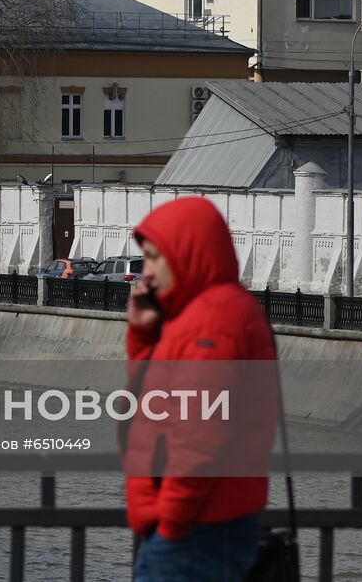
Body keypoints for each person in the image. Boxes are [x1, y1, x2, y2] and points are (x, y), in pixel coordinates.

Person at [123, 197, 277, 581]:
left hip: (197, 531)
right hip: (198, 528)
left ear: (187, 253)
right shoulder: (198, 315)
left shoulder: (213, 321)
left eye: (156, 257)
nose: (147, 272)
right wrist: (144, 334)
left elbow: (200, 437)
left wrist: (172, 521)